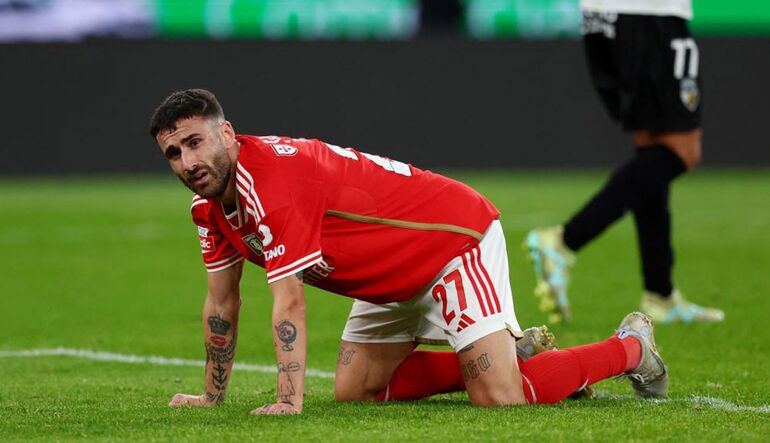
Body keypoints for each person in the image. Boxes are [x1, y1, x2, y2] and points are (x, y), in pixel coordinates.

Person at [150, 89, 668, 415]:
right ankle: (512, 353)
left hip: (446, 243)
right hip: (384, 278)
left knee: (500, 397)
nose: (187, 161)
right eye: (174, 152)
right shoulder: (210, 207)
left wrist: (288, 402)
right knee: (357, 392)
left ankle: (630, 348)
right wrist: (211, 398)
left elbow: (289, 302)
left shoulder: (272, 181)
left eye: (196, 142)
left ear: (227, 134)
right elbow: (222, 305)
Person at [525, 0, 724, 324]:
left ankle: (660, 294)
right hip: (651, 18)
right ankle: (564, 240)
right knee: (681, 150)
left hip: (602, 19)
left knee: (653, 144)